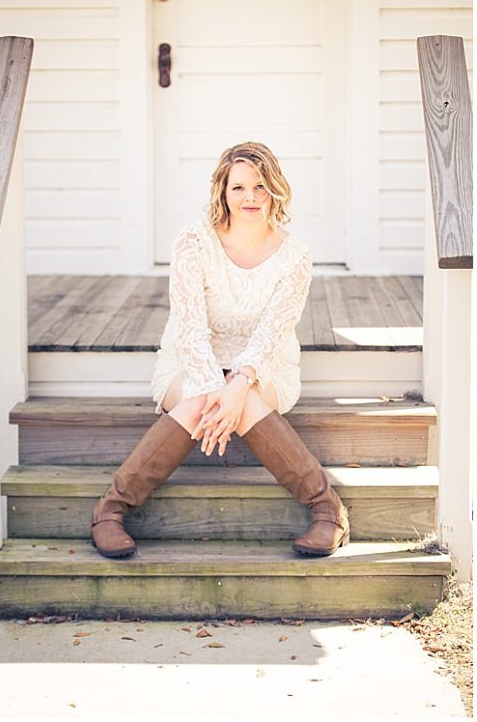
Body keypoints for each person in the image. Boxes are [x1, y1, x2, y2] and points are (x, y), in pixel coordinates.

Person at [90, 142, 350, 559]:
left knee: (241, 402)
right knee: (199, 402)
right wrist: (215, 387)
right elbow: (190, 326)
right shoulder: (194, 243)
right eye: (239, 188)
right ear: (223, 192)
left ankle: (328, 511)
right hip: (191, 359)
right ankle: (110, 511)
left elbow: (272, 333)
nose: (250, 198)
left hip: (266, 364)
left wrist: (239, 384)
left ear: (275, 190)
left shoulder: (295, 257)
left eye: (261, 187)